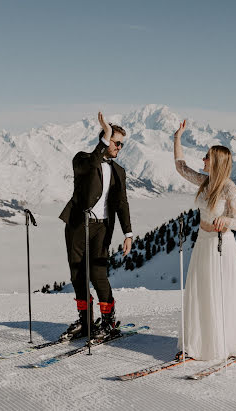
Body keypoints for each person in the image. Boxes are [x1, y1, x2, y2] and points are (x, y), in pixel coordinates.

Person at [173, 119, 236, 360]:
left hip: (220, 246)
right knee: (201, 292)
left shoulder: (229, 189)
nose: (202, 160)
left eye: (206, 157)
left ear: (217, 162)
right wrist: (177, 139)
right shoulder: (205, 182)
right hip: (202, 242)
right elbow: (180, 167)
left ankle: (222, 342)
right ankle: (198, 343)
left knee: (220, 292)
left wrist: (226, 222)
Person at [59, 112, 133, 340]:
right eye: (115, 142)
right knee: (77, 275)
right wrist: (105, 137)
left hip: (102, 228)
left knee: (99, 274)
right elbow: (92, 164)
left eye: (121, 144)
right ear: (105, 139)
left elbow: (122, 203)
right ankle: (85, 322)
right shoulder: (82, 160)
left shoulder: (119, 171)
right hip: (78, 225)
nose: (119, 147)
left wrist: (128, 233)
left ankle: (108, 322)